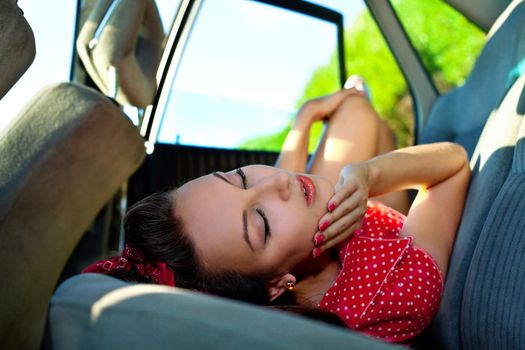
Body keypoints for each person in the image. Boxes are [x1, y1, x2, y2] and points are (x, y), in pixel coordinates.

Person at [83, 77, 470, 343]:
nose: (277, 183)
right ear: (274, 286)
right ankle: (377, 127)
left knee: (355, 112)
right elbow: (452, 166)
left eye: (237, 177)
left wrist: (304, 119)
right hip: (385, 238)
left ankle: (375, 122)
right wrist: (371, 173)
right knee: (357, 111)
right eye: (261, 222)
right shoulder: (392, 289)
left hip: (347, 226)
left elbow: (275, 186)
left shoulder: (295, 241)